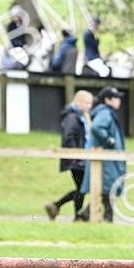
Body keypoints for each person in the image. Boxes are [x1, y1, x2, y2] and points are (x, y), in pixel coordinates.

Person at [80, 86, 127, 222]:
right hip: (106, 160)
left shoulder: (106, 112)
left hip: (107, 160)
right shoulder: (105, 113)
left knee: (106, 191)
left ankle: (88, 215)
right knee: (107, 190)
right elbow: (97, 127)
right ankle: (90, 216)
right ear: (107, 100)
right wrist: (109, 140)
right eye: (116, 98)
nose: (119, 101)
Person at [45, 90, 94, 221]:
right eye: (86, 102)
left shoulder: (82, 117)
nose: (89, 106)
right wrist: (77, 155)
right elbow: (69, 137)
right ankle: (76, 215)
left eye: (90, 103)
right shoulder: (73, 117)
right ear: (78, 102)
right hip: (76, 158)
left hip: (81, 157)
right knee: (82, 188)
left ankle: (57, 206)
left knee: (81, 188)